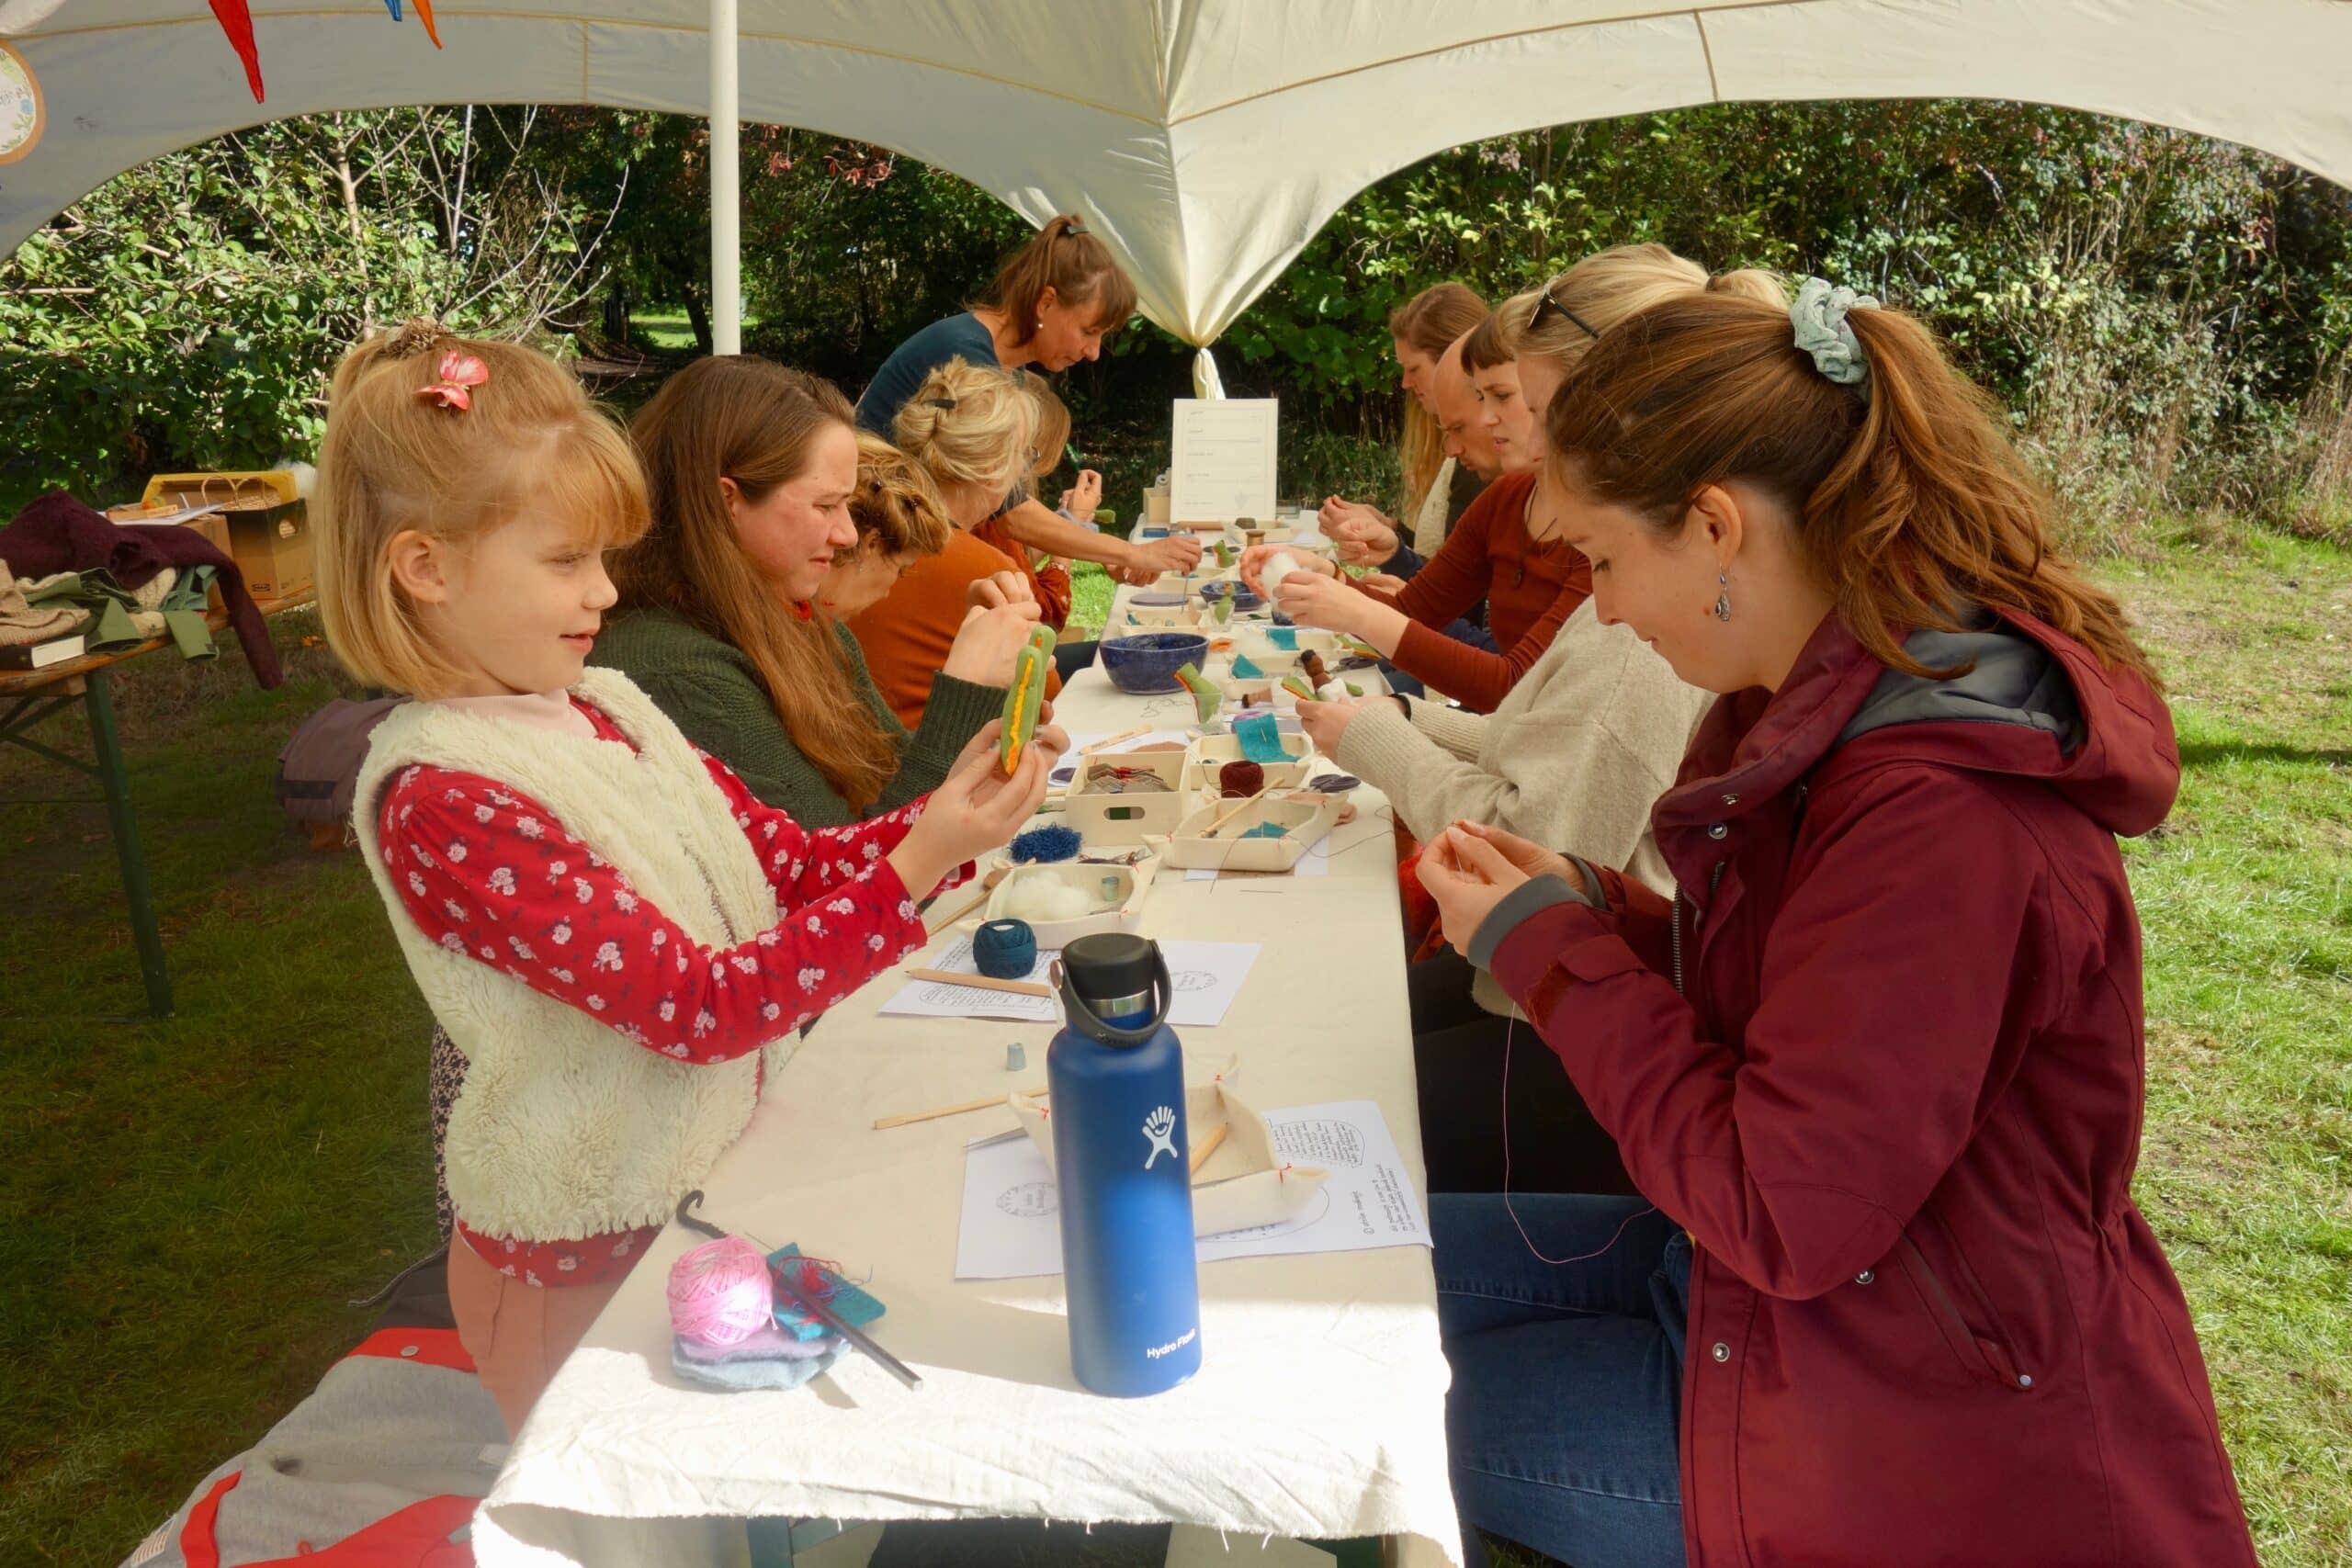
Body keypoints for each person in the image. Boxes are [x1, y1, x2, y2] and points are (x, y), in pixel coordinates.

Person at [1415, 283, 2256, 1567]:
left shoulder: (1941, 813)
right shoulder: (1830, 711)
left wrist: (1549, 946)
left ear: (1712, 526)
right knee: (1351, 1276)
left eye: (1600, 560)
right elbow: (1806, 1021)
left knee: (1357, 1419)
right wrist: (1603, 913)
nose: (1603, 606)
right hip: (1773, 1311)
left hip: (1899, 1416)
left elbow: (1780, 1201)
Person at [316, 323, 1057, 1435]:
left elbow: (791, 867)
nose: (605, 593)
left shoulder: (608, 710)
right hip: (577, 1262)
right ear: (424, 568)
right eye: (565, 561)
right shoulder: (447, 796)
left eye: (604, 558)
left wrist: (940, 818)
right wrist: (920, 858)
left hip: (695, 1208)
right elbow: (695, 1005)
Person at [1300, 246, 1771, 1194]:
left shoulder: (1655, 622)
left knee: (1321, 1120)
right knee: (1331, 1026)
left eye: (1521, 402)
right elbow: (1552, 746)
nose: (1491, 422)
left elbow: (1534, 845)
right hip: (1567, 999)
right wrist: (1407, 719)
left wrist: (1385, 738)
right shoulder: (1659, 580)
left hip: (1576, 1035)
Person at [593, 355, 1043, 827]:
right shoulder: (678, 672)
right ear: (728, 501)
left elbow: (899, 775)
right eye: (825, 505)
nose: (847, 533)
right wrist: (965, 685)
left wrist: (995, 701)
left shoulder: (798, 622)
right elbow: (850, 883)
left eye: (845, 505)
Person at [1244, 329, 1588, 715]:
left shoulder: (1599, 527)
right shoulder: (1507, 498)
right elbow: (1414, 610)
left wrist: (1358, 613)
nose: (1453, 449)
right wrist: (1328, 575)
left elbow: (1514, 685)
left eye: (1502, 397)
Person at [854, 213, 1200, 585]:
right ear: (1046, 303)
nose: (1094, 352)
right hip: (867, 555)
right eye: (1090, 330)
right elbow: (1010, 511)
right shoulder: (968, 356)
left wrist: (1100, 549)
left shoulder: (1002, 365)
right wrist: (1130, 552)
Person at [852, 356, 1061, 728]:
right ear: (993, 470)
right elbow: (1046, 694)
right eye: (1025, 455)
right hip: (932, 764)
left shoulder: (860, 543)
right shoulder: (982, 566)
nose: (1025, 470)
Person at [1317, 283, 1491, 566]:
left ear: (1454, 359)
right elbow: (1445, 562)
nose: (1406, 383)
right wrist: (1388, 530)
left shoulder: (1477, 460)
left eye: (1414, 369)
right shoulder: (1468, 453)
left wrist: (1387, 553)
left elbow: (1453, 595)